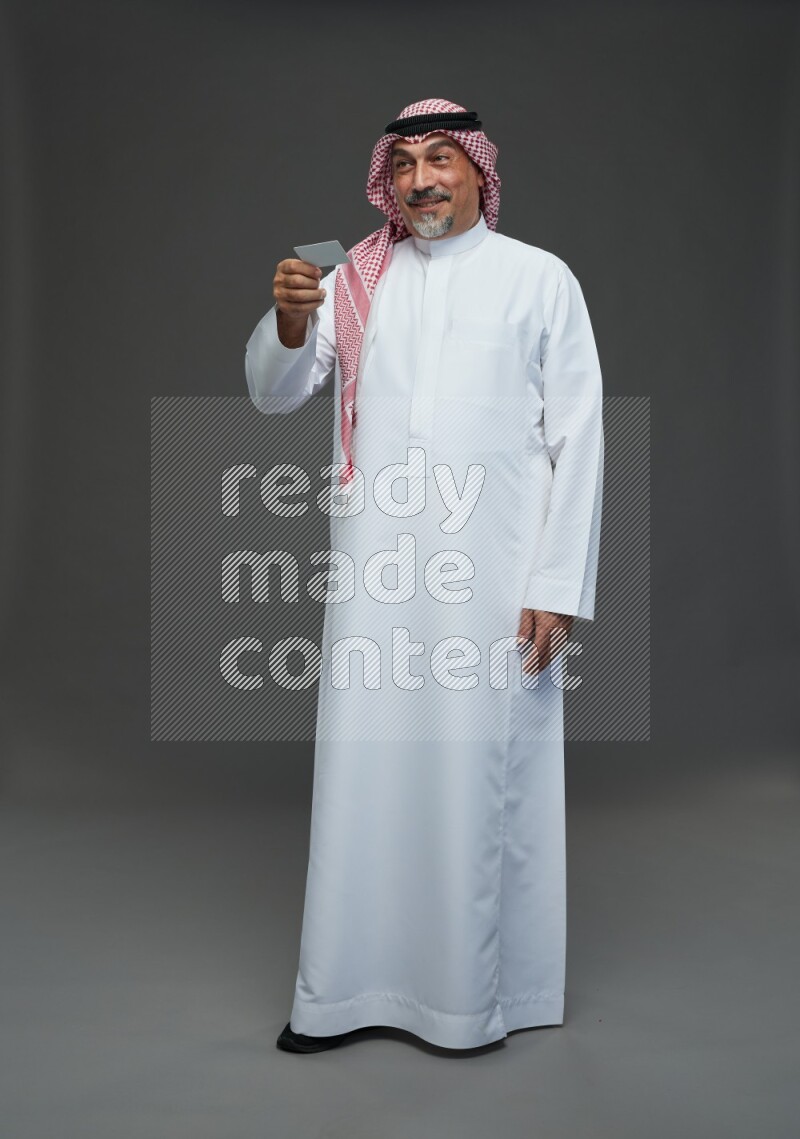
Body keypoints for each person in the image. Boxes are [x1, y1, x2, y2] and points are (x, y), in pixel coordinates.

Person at [244, 98, 604, 1053]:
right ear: (385, 181)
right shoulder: (354, 281)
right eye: (403, 163)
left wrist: (558, 586)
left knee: (484, 773)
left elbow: (581, 439)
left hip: (495, 583)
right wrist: (287, 323)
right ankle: (341, 995)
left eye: (441, 158)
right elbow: (278, 394)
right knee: (366, 771)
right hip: (375, 578)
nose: (421, 179)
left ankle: (471, 1002)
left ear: (480, 172)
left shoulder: (539, 280)